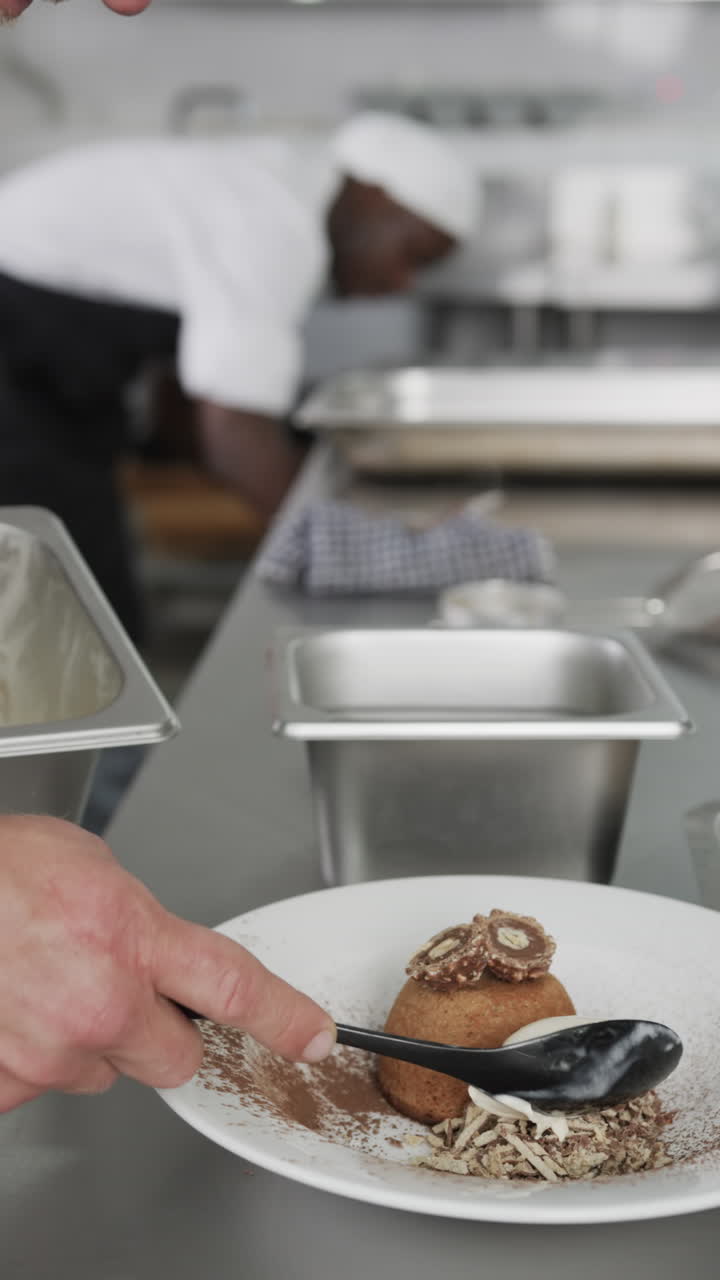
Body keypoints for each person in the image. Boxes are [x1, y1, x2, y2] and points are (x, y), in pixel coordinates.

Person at [0, 113, 476, 640]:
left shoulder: (270, 188)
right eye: (411, 255)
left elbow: (192, 405)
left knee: (82, 606)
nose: (402, 283)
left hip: (50, 383)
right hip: (18, 377)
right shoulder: (278, 222)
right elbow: (233, 433)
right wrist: (356, 553)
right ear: (376, 196)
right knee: (67, 619)